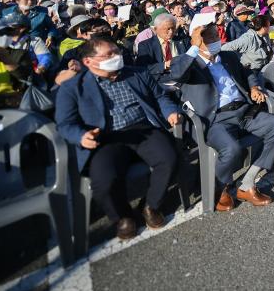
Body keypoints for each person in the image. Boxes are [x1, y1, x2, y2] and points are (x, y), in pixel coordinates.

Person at [55, 36, 181, 240]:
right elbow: (64, 124)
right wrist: (81, 136)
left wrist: (170, 111)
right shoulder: (73, 87)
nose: (116, 56)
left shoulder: (137, 73)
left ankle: (150, 205)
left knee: (170, 158)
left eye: (117, 51)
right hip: (105, 137)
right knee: (103, 181)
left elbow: (160, 96)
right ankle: (122, 216)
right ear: (88, 61)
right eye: (109, 54)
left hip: (142, 129)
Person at [169, 20, 274, 211]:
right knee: (232, 149)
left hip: (243, 111)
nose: (217, 39)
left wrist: (254, 87)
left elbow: (247, 72)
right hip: (215, 119)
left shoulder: (227, 56)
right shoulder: (188, 62)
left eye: (217, 35)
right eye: (210, 37)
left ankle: (247, 183)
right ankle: (220, 187)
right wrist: (193, 47)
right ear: (198, 40)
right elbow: (176, 75)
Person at [134, 13, 189, 82]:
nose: (171, 32)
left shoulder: (182, 40)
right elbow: (143, 68)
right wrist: (165, 65)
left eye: (173, 28)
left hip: (183, 79)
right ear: (156, 29)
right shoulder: (145, 45)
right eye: (167, 29)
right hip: (160, 80)